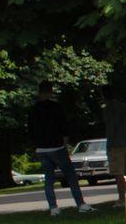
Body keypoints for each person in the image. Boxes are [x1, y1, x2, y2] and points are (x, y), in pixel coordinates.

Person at [26, 81, 93, 215]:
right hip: (56, 147)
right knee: (71, 176)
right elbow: (64, 127)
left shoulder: (33, 110)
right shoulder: (56, 107)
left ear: (39, 92)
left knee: (49, 179)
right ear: (50, 92)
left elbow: (30, 131)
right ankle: (80, 204)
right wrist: (64, 144)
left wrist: (36, 146)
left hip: (41, 149)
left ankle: (53, 208)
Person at [101, 85, 126, 205]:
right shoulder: (125, 107)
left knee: (118, 173)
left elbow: (111, 128)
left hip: (116, 144)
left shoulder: (108, 108)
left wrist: (109, 145)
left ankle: (122, 199)